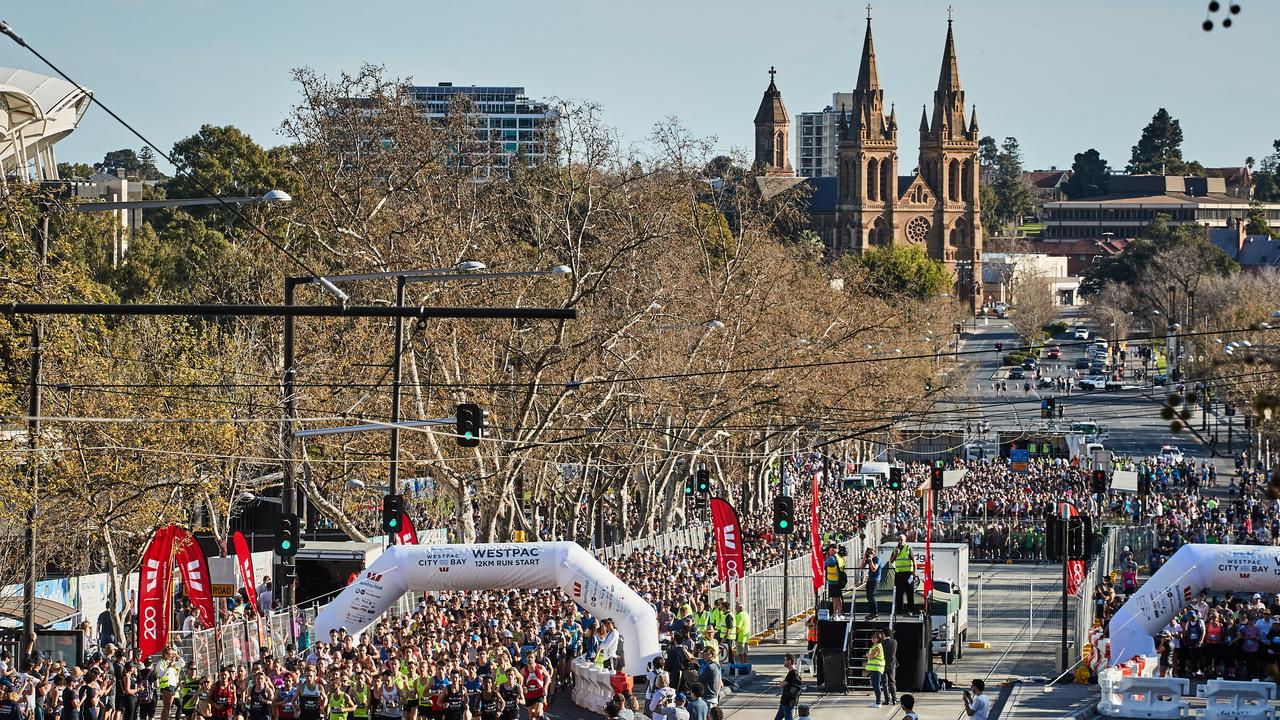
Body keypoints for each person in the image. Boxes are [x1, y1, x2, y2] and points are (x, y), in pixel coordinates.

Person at [891, 535, 918, 615]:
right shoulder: (895, 549)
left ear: (905, 540)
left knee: (910, 592)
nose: (900, 541)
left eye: (902, 540)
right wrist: (896, 554)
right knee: (899, 593)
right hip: (899, 574)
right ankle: (899, 610)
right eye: (899, 539)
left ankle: (910, 610)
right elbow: (891, 561)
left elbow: (914, 561)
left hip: (908, 573)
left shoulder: (908, 548)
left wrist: (914, 572)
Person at [772, 654, 801, 720]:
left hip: (788, 702)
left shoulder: (792, 673)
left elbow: (782, 685)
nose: (784, 662)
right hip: (785, 701)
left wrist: (781, 683)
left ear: (789, 661)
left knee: (788, 718)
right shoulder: (794, 672)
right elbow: (787, 682)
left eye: (785, 660)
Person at [865, 632, 885, 709]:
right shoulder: (875, 645)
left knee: (876, 686)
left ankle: (878, 703)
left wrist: (867, 655)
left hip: (877, 669)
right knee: (875, 685)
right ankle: (877, 702)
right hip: (874, 669)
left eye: (874, 637)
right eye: (872, 637)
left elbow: (871, 656)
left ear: (878, 639)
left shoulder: (878, 646)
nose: (872, 639)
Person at [823, 546, 844, 617]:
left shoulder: (831, 558)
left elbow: (823, 565)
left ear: (832, 551)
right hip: (839, 580)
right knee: (838, 598)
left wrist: (826, 557)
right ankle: (840, 613)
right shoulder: (839, 557)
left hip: (833, 581)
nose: (829, 551)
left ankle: (835, 614)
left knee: (834, 599)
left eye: (830, 550)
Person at [861, 549, 881, 619]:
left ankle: (875, 613)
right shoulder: (869, 559)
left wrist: (871, 561)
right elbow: (861, 567)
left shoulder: (877, 559)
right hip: (869, 580)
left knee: (871, 596)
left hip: (875, 580)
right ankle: (871, 612)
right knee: (868, 596)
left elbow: (874, 568)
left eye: (869, 554)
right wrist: (865, 558)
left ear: (873, 553)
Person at [880, 629, 898, 706]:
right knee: (892, 682)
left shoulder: (881, 643)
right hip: (892, 665)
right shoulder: (894, 642)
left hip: (883, 665)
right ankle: (894, 699)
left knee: (884, 683)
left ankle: (887, 700)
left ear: (883, 634)